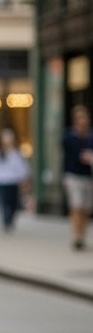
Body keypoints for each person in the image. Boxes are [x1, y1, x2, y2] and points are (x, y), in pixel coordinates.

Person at [61, 105, 93, 250]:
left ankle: (82, 235)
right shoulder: (69, 136)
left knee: (86, 208)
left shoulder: (91, 135)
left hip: (88, 175)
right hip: (73, 175)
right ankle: (76, 236)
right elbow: (70, 154)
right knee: (76, 206)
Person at [0, 128, 30, 231]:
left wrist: (23, 179)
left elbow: (21, 167)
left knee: (13, 203)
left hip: (13, 181)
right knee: (4, 202)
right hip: (2, 181)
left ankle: (10, 220)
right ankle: (6, 222)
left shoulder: (15, 153)